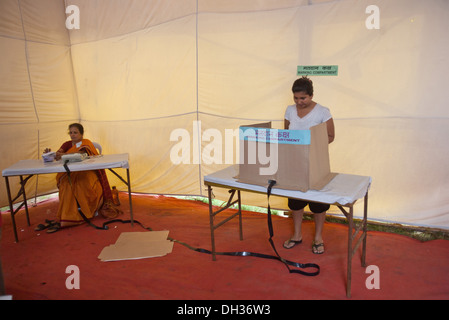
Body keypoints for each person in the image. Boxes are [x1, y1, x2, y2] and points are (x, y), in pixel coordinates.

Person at [36, 123, 120, 233]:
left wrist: (64, 155)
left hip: (86, 172)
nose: (72, 135)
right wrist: (51, 154)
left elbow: (82, 154)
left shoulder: (86, 143)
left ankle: (78, 213)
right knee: (66, 184)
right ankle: (66, 215)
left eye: (75, 132)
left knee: (81, 184)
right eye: (71, 132)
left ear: (81, 134)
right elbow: (58, 155)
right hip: (69, 172)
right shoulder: (66, 144)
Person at [283, 77, 335, 254]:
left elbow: (330, 136)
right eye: (296, 98)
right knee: (295, 201)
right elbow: (286, 135)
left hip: (316, 162)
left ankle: (318, 237)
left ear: (311, 95)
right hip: (295, 163)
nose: (299, 102)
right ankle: (297, 235)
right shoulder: (289, 111)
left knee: (317, 203)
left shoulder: (322, 112)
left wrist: (311, 147)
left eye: (303, 98)